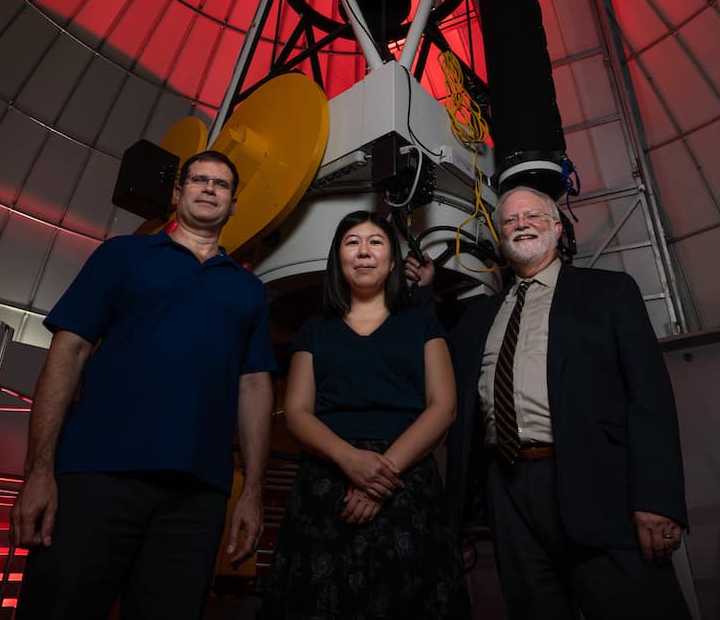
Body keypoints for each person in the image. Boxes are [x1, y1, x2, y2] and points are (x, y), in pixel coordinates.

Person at [10, 150, 277, 619]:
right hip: (97, 475)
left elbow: (254, 387)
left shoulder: (248, 290)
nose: (209, 188)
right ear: (177, 194)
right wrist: (38, 471)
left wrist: (252, 491)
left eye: (221, 184)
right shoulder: (121, 255)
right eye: (198, 179)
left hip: (197, 496)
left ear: (233, 205)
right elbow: (67, 353)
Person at [445, 186, 690, 620]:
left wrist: (658, 499)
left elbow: (649, 396)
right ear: (500, 236)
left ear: (557, 227)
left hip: (597, 487)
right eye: (510, 220)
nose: (521, 224)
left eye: (533, 216)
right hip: (508, 490)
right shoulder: (477, 319)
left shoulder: (609, 292)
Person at [259, 211, 470, 619]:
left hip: (404, 482)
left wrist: (380, 476)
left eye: (376, 242)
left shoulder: (422, 323)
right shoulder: (315, 329)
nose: (364, 252)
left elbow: (444, 406)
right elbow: (298, 413)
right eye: (352, 242)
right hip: (327, 481)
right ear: (338, 258)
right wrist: (348, 460)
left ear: (392, 261)